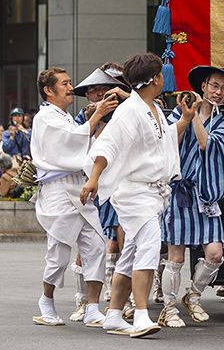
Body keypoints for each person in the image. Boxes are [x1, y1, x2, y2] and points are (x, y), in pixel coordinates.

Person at [80, 51, 197, 337]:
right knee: (148, 245)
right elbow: (107, 145)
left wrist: (185, 119)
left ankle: (115, 314)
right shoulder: (130, 110)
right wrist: (93, 178)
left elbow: (165, 138)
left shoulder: (152, 108)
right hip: (134, 192)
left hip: (151, 192)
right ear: (156, 78)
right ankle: (142, 314)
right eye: (161, 75)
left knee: (131, 253)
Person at [30, 66, 115, 327]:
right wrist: (96, 116)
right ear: (48, 90)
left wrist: (96, 122)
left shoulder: (64, 117)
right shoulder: (45, 117)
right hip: (57, 188)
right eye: (65, 83)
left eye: (69, 83)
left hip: (78, 185)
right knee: (59, 252)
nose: (70, 88)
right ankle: (47, 301)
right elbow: (71, 140)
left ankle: (92, 307)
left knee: (96, 245)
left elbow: (83, 144)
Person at [160, 64, 224, 327]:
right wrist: (186, 115)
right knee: (176, 256)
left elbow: (207, 143)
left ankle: (193, 295)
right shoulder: (175, 113)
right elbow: (169, 141)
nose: (219, 92)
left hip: (206, 196)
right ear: (203, 86)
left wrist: (194, 114)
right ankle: (169, 307)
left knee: (215, 254)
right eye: (215, 86)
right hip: (180, 192)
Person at [71, 65, 130, 319]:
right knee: (86, 247)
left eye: (105, 91)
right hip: (89, 187)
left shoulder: (126, 114)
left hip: (120, 186)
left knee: (123, 241)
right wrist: (95, 119)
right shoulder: (82, 118)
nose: (99, 96)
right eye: (94, 92)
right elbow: (75, 150)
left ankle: (121, 299)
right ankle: (83, 301)